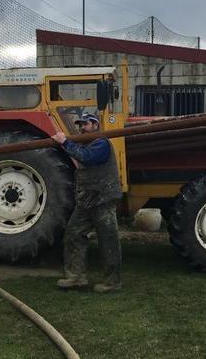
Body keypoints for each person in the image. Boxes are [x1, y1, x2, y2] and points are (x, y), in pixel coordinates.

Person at [51, 113, 123, 293]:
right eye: (80, 124)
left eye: (85, 124)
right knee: (73, 234)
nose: (82, 127)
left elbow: (88, 157)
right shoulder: (86, 143)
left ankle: (112, 283)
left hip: (103, 199)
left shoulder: (101, 143)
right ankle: (76, 277)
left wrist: (65, 142)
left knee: (108, 240)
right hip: (87, 200)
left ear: (95, 125)